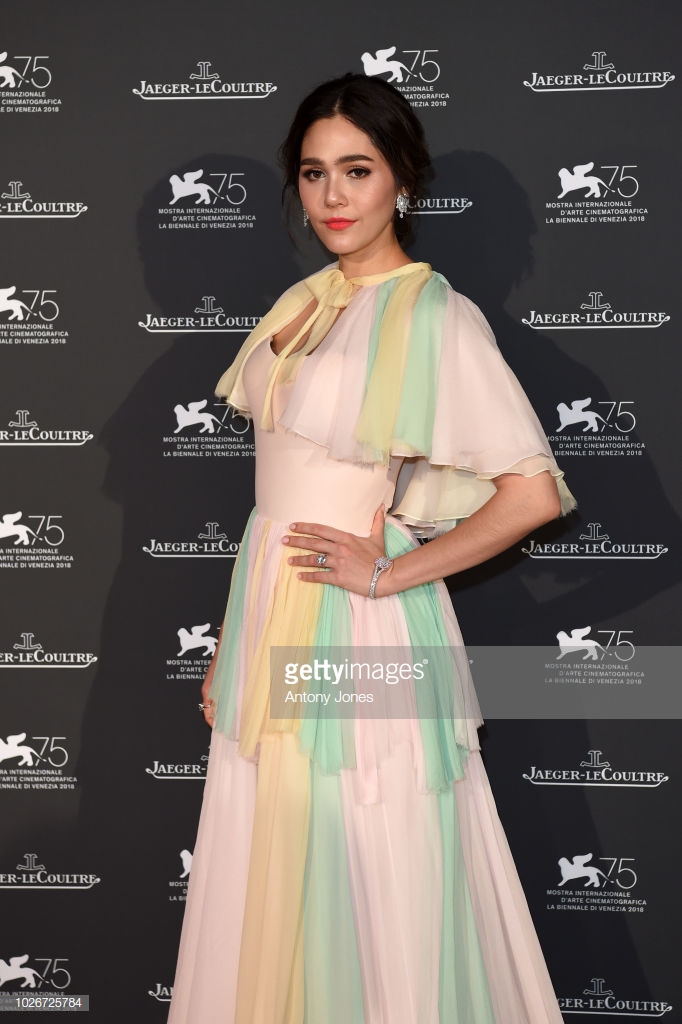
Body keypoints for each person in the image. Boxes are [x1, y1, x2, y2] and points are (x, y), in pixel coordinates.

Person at [167, 73, 575, 1024]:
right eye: (314, 174)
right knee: (273, 859)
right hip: (270, 614)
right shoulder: (302, 301)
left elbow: (531, 493)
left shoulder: (434, 314)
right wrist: (233, 638)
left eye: (357, 170)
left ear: (403, 179)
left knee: (371, 858)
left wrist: (389, 573)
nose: (333, 196)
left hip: (360, 630)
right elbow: (273, 505)